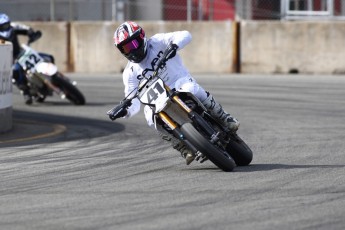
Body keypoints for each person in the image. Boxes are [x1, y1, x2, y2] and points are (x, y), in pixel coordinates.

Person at [110, 21, 239, 165]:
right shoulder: (129, 73)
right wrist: (125, 111)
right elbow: (132, 100)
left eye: (132, 44)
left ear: (141, 37)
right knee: (149, 117)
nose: (131, 51)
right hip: (158, 99)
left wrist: (174, 45)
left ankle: (223, 116)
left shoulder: (157, 41)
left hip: (179, 83)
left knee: (192, 88)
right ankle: (182, 146)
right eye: (126, 48)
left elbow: (186, 35)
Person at [0, 13, 42, 104]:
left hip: (20, 53)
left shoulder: (13, 27)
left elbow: (26, 29)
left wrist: (31, 33)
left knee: (44, 56)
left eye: (6, 24)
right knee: (15, 72)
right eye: (2, 26)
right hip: (6, 61)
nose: (5, 27)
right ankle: (26, 92)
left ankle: (55, 77)